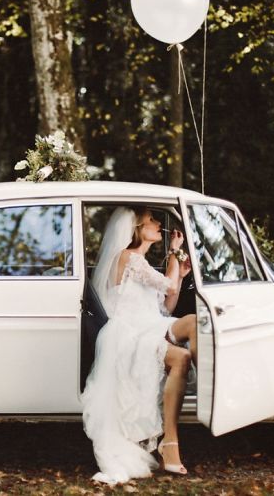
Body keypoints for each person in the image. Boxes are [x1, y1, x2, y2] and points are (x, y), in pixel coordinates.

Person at [82, 206, 198, 484]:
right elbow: (168, 288)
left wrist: (178, 274)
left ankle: (211, 388)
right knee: (180, 358)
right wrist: (174, 256)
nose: (159, 223)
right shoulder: (129, 257)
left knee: (194, 321)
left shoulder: (142, 264)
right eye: (152, 220)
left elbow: (167, 305)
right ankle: (170, 443)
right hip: (129, 336)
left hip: (150, 327)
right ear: (137, 229)